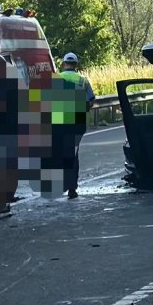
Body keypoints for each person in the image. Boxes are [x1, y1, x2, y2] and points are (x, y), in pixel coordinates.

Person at [53, 52, 95, 198]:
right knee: (73, 153)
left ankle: (62, 184)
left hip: (59, 122)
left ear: (64, 63)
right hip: (77, 123)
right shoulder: (83, 80)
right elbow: (90, 101)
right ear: (76, 65)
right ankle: (72, 188)